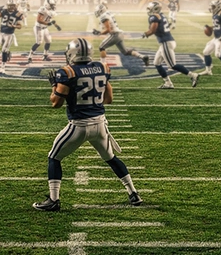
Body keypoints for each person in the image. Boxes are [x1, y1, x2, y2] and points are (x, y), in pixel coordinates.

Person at [31, 38, 142, 212]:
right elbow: (109, 99)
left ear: (72, 53)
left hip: (79, 126)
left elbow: (56, 103)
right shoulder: (102, 68)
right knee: (111, 158)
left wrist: (54, 87)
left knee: (54, 157)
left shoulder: (67, 72)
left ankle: (53, 200)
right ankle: (133, 193)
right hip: (100, 125)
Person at [144, 1, 199, 89]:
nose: (148, 10)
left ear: (155, 9)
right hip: (166, 42)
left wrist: (144, 34)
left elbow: (152, 31)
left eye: (149, 8)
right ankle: (168, 83)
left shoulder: (154, 17)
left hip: (166, 43)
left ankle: (192, 75)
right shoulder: (161, 15)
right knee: (157, 63)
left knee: (172, 65)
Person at [0, 1, 24, 74]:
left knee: (4, 50)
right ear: (7, 5)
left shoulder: (18, 14)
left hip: (9, 34)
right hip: (1, 33)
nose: (12, 7)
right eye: (10, 5)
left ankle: (2, 68)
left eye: (13, 5)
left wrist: (14, 26)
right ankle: (8, 53)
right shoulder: (4, 11)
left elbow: (20, 26)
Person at [27, 0, 61, 64]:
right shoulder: (43, 9)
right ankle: (30, 56)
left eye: (53, 5)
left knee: (48, 41)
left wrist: (56, 25)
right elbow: (38, 20)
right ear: (47, 4)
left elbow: (49, 20)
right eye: (51, 5)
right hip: (38, 27)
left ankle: (45, 55)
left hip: (45, 28)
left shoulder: (50, 11)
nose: (53, 6)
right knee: (39, 42)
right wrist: (47, 24)